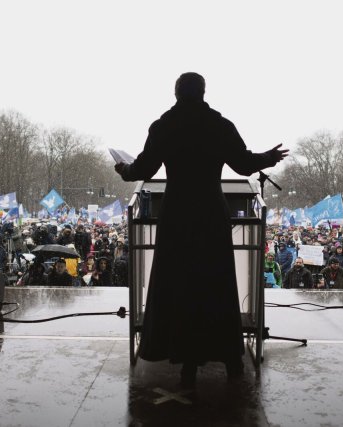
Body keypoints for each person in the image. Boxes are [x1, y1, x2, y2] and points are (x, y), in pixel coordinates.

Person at [115, 72, 288, 385]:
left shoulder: (164, 125)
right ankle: (231, 359)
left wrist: (123, 169)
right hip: (210, 213)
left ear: (177, 93)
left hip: (177, 214)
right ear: (203, 92)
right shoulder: (219, 125)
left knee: (180, 287)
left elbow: (142, 169)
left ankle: (187, 363)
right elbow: (244, 164)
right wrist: (270, 157)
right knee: (216, 286)